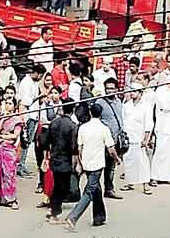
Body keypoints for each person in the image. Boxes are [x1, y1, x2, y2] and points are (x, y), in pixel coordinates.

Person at [64, 104, 121, 232]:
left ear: (90, 113)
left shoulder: (83, 128)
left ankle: (99, 217)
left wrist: (80, 162)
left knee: (96, 189)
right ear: (100, 114)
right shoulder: (104, 128)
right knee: (89, 191)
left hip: (86, 162)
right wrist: (117, 159)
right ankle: (73, 217)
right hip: (97, 164)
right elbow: (111, 149)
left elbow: (79, 148)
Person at [0, 98, 24, 209]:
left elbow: (15, 135)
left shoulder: (17, 120)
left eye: (10, 103)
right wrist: (2, 119)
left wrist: (2, 136)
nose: (7, 105)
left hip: (8, 148)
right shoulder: (0, 116)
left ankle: (10, 199)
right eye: (6, 103)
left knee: (8, 174)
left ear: (14, 106)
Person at [46, 98, 79, 224]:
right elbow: (74, 147)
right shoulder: (72, 126)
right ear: (73, 110)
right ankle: (54, 212)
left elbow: (46, 140)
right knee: (62, 188)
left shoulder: (54, 123)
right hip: (65, 160)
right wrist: (75, 162)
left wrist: (47, 156)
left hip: (55, 157)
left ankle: (53, 208)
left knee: (58, 186)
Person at [91, 78, 123, 199]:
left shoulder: (119, 102)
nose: (109, 90)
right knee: (99, 166)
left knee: (111, 167)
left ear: (116, 89)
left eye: (112, 88)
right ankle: (94, 189)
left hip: (115, 139)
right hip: (103, 140)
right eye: (107, 88)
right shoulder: (99, 102)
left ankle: (109, 189)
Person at [120, 83, 153, 195]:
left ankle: (145, 185)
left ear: (140, 93)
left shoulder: (146, 106)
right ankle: (129, 182)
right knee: (128, 160)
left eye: (135, 91)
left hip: (140, 137)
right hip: (128, 137)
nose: (132, 93)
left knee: (142, 161)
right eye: (131, 91)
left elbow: (149, 124)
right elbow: (123, 121)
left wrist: (146, 139)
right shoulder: (126, 105)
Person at [17, 64, 46, 178]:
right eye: (40, 75)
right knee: (24, 141)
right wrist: (39, 96)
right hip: (27, 116)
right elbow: (26, 101)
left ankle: (22, 165)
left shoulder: (34, 83)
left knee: (28, 142)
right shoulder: (26, 82)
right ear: (36, 73)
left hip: (34, 115)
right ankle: (20, 165)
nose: (40, 78)